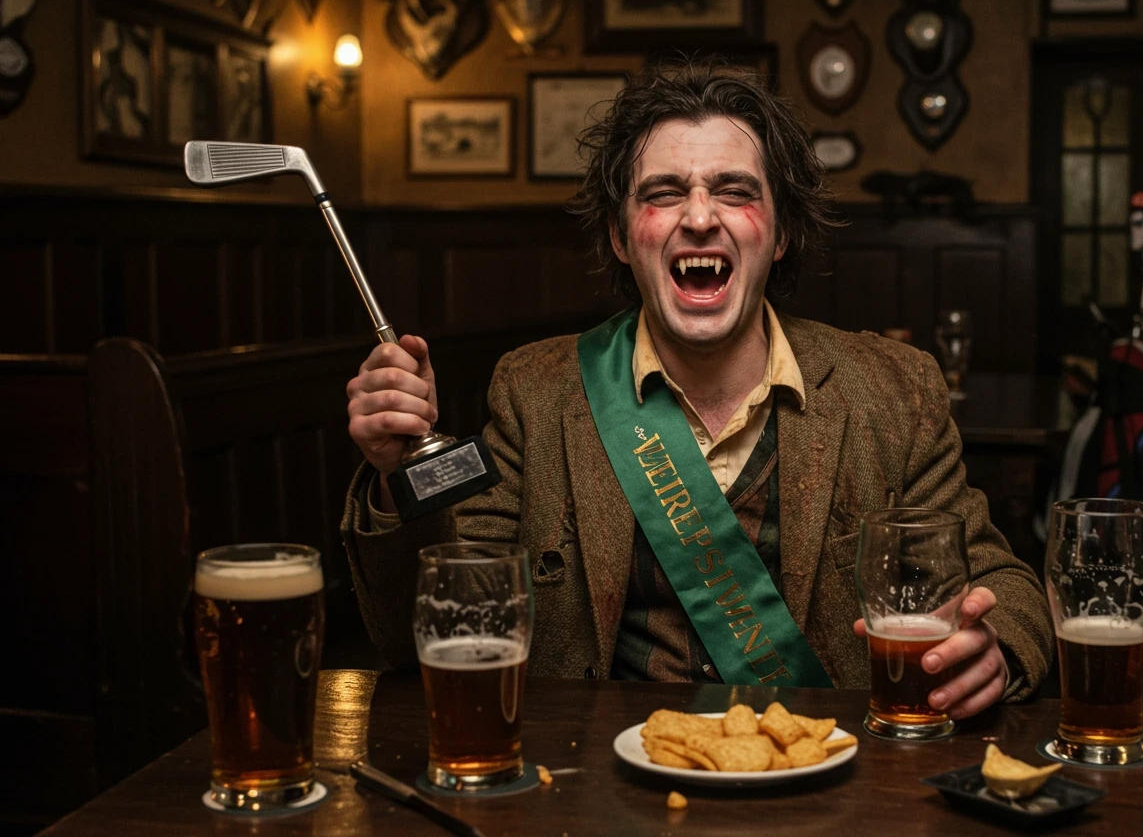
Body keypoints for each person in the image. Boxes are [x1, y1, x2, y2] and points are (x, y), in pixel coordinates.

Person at [343, 59, 1053, 716]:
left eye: (736, 192)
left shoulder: (894, 391)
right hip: (598, 780)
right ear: (622, 236)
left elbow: (1006, 586)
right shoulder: (535, 393)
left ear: (780, 234)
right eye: (663, 194)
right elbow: (427, 634)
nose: (701, 216)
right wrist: (394, 479)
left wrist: (995, 650)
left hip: (824, 776)